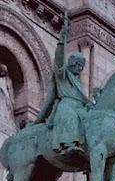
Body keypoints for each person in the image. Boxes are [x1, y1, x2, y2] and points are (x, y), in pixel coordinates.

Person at [34, 15, 91, 155]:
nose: (79, 68)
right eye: (77, 64)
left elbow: (84, 99)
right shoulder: (62, 75)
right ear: (71, 63)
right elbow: (59, 59)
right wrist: (62, 39)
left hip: (79, 107)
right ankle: (66, 145)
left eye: (81, 66)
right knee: (70, 115)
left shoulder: (77, 82)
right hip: (67, 106)